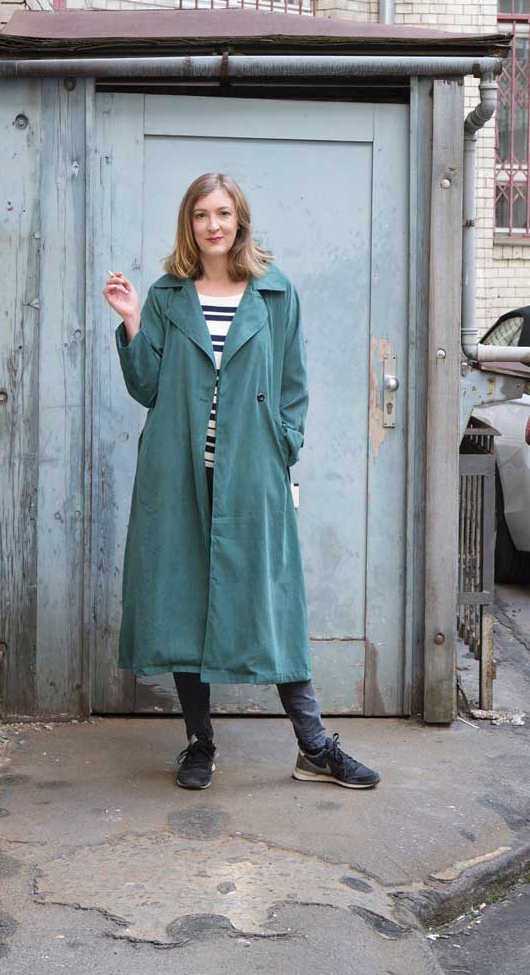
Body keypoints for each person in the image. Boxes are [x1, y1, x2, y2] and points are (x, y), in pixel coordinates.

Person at [104, 173, 379, 792]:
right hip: (178, 473)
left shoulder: (276, 292)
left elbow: (293, 384)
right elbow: (146, 387)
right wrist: (131, 321)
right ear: (189, 223)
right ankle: (199, 743)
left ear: (240, 220)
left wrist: (283, 445)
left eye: (223, 213)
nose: (213, 225)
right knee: (184, 605)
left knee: (273, 602)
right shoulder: (168, 295)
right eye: (202, 214)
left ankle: (314, 746)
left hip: (252, 474)